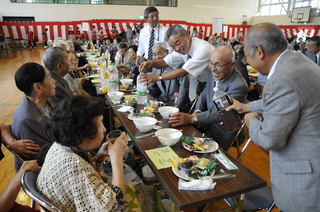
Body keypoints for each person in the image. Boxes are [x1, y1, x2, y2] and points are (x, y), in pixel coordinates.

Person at [227, 22, 320, 211]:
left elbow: (269, 139)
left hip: (305, 180)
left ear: (259, 51)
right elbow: (290, 100)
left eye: (247, 55)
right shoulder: (298, 60)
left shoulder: (281, 79)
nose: (247, 61)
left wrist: (250, 120)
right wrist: (246, 107)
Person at [37, 96, 166, 211]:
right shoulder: (74, 166)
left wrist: (98, 158)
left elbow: (85, 180)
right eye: (99, 125)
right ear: (80, 135)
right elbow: (118, 207)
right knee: (147, 193)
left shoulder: (62, 145)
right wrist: (117, 158)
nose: (104, 129)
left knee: (146, 190)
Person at [168, 46, 248, 150]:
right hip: (205, 122)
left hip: (221, 130)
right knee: (176, 134)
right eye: (210, 63)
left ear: (232, 65)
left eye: (218, 65)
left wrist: (194, 118)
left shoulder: (238, 85)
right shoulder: (213, 73)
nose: (213, 68)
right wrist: (197, 111)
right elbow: (204, 94)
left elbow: (221, 113)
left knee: (187, 147)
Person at [11, 62, 56, 171]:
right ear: (38, 87)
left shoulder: (45, 101)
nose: (53, 81)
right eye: (49, 77)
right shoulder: (29, 119)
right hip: (43, 171)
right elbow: (46, 156)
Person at [139, 24, 214, 85]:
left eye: (177, 43)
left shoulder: (202, 49)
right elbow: (164, 62)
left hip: (216, 83)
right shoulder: (183, 49)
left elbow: (183, 72)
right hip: (203, 83)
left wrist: (158, 77)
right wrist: (151, 63)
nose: (177, 49)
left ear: (187, 35)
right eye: (172, 47)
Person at [148, 42, 190, 109]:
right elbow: (152, 87)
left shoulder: (178, 65)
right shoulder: (155, 67)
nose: (157, 57)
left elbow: (184, 89)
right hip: (161, 103)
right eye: (154, 55)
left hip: (178, 104)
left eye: (159, 53)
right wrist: (145, 93)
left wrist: (176, 107)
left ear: (166, 52)